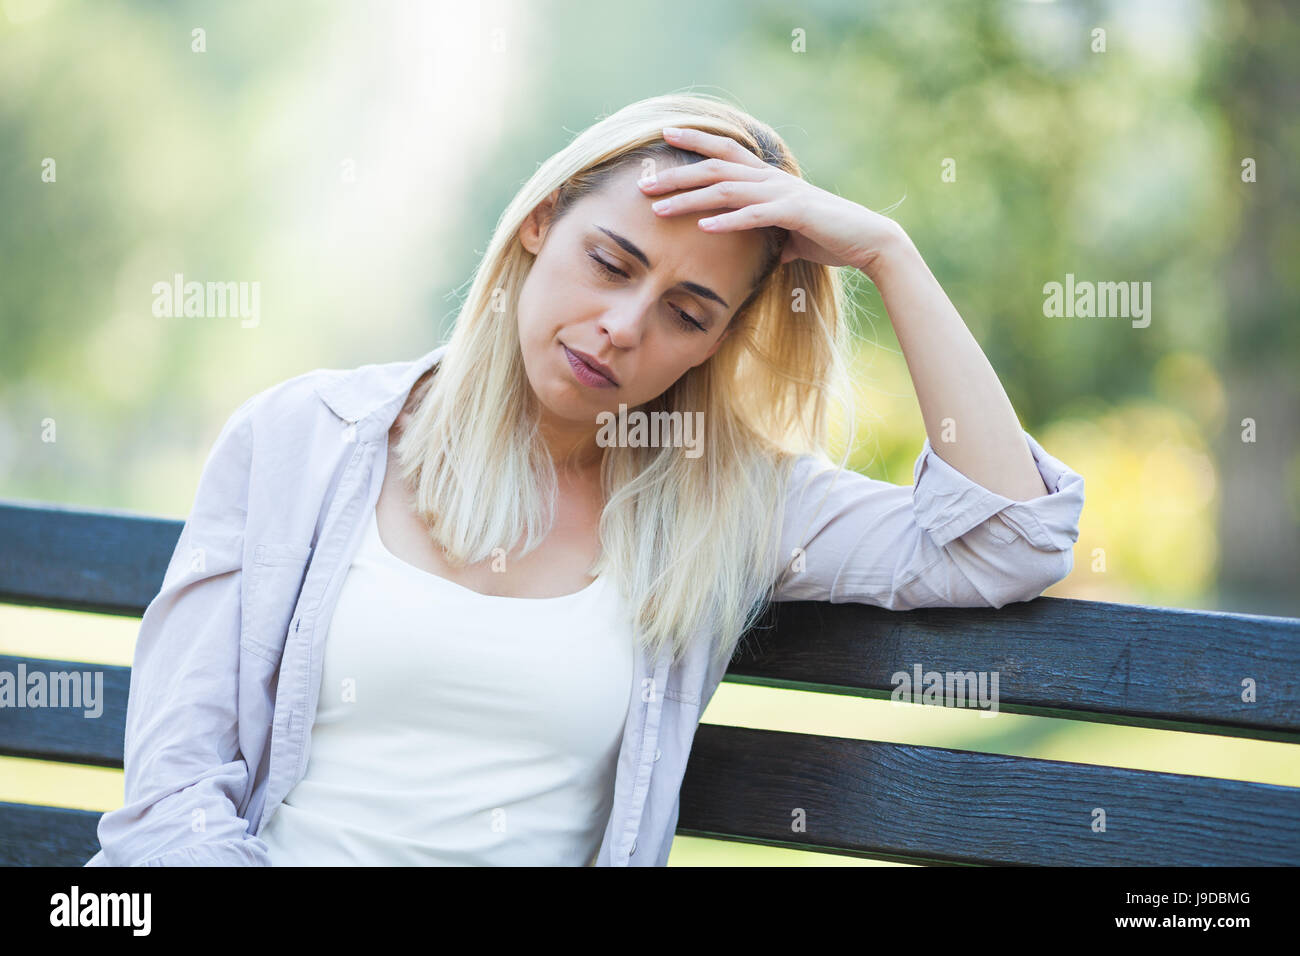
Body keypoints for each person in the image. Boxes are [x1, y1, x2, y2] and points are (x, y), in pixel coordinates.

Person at [85, 92, 1084, 867]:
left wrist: (886, 253)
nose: (624, 325)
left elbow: (1006, 540)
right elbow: (172, 791)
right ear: (539, 223)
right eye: (611, 262)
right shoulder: (302, 438)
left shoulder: (725, 502)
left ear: (714, 346)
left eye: (687, 313)